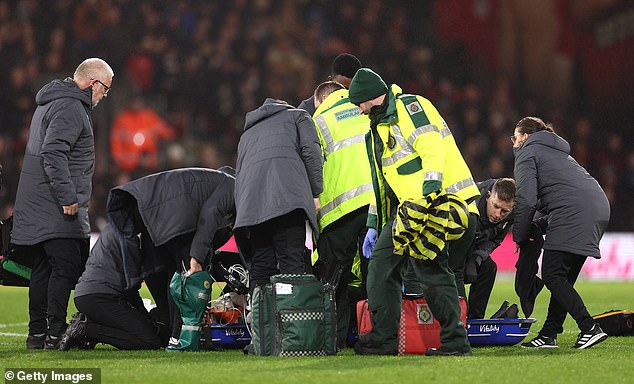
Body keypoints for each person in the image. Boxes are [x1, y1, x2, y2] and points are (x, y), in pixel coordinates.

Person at [348, 68, 479, 356]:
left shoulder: (408, 106)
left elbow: (431, 144)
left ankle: (456, 342)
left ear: (371, 96)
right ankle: (383, 339)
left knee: (431, 273)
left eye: (359, 103)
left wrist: (431, 191)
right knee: (381, 268)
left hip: (432, 204)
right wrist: (373, 221)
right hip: (406, 212)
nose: (359, 110)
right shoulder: (379, 127)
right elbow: (384, 182)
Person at [11, 58, 114, 350]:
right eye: (105, 88)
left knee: (43, 268)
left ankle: (37, 335)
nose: (105, 95)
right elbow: (53, 152)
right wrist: (67, 196)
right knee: (65, 267)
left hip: (39, 203)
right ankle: (56, 333)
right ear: (93, 83)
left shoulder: (51, 101)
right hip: (57, 206)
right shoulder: (70, 107)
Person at [104, 166, 237, 348]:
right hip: (173, 216)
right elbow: (211, 214)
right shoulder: (232, 185)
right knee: (187, 280)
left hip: (150, 210)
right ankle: (179, 339)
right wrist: (197, 257)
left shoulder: (211, 183)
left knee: (174, 277)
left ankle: (173, 334)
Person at [512, 116, 610, 349]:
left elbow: (526, 199)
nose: (514, 143)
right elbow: (564, 195)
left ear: (525, 137)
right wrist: (539, 226)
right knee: (561, 279)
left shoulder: (528, 152)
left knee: (552, 275)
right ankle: (549, 333)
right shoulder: (557, 152)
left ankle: (589, 327)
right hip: (597, 208)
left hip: (573, 213)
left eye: (515, 137)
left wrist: (520, 233)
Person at [234, 98, 322, 289]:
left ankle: (259, 316)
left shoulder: (247, 134)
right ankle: (294, 316)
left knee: (262, 266)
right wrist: (316, 192)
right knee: (292, 262)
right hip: (287, 199)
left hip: (252, 207)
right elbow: (311, 151)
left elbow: (239, 173)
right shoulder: (297, 115)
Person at [311, 81, 373, 349]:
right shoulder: (366, 110)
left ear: (322, 98)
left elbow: (313, 164)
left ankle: (333, 340)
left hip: (340, 210)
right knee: (376, 276)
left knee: (334, 279)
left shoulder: (320, 118)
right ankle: (376, 337)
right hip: (375, 204)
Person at [464, 178, 516, 319]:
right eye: (496, 206)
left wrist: (475, 259)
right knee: (455, 272)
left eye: (504, 211)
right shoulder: (469, 202)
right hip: (453, 250)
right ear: (488, 196)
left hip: (473, 249)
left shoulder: (510, 215)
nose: (498, 215)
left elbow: (494, 240)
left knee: (489, 267)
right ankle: (457, 319)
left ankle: (475, 319)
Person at [297, 53, 362, 116]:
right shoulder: (307, 111)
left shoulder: (366, 105)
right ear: (330, 81)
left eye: (349, 90)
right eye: (340, 88)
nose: (344, 93)